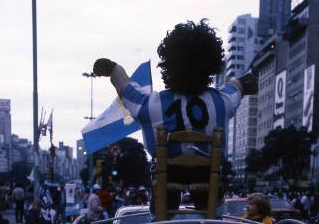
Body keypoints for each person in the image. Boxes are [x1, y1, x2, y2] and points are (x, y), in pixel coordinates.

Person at [93, 19, 257, 214]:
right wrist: (242, 82)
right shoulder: (220, 102)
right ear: (210, 65)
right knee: (212, 203)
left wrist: (113, 69)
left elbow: (126, 88)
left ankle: (161, 216)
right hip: (206, 176)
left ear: (168, 65)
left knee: (161, 186)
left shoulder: (153, 105)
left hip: (167, 177)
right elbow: (235, 88)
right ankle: (212, 219)